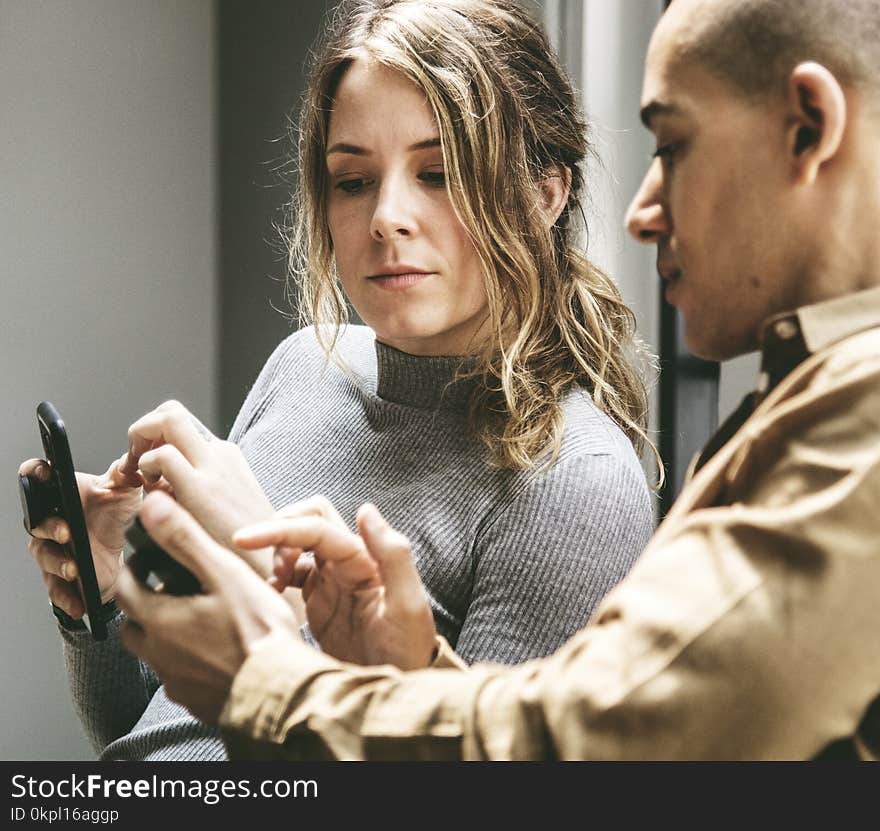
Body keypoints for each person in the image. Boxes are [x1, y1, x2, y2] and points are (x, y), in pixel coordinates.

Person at [116, 0, 880, 760]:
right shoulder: (811, 402)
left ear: (810, 127)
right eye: (352, 180)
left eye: (673, 147)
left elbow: (582, 748)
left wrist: (271, 653)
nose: (643, 212)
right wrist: (110, 599)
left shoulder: (848, 436)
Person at [21, 0, 655, 760]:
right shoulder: (303, 367)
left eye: (438, 172)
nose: (387, 216)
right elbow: (157, 732)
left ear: (545, 193)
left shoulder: (575, 481)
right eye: (352, 181)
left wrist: (261, 573)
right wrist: (108, 601)